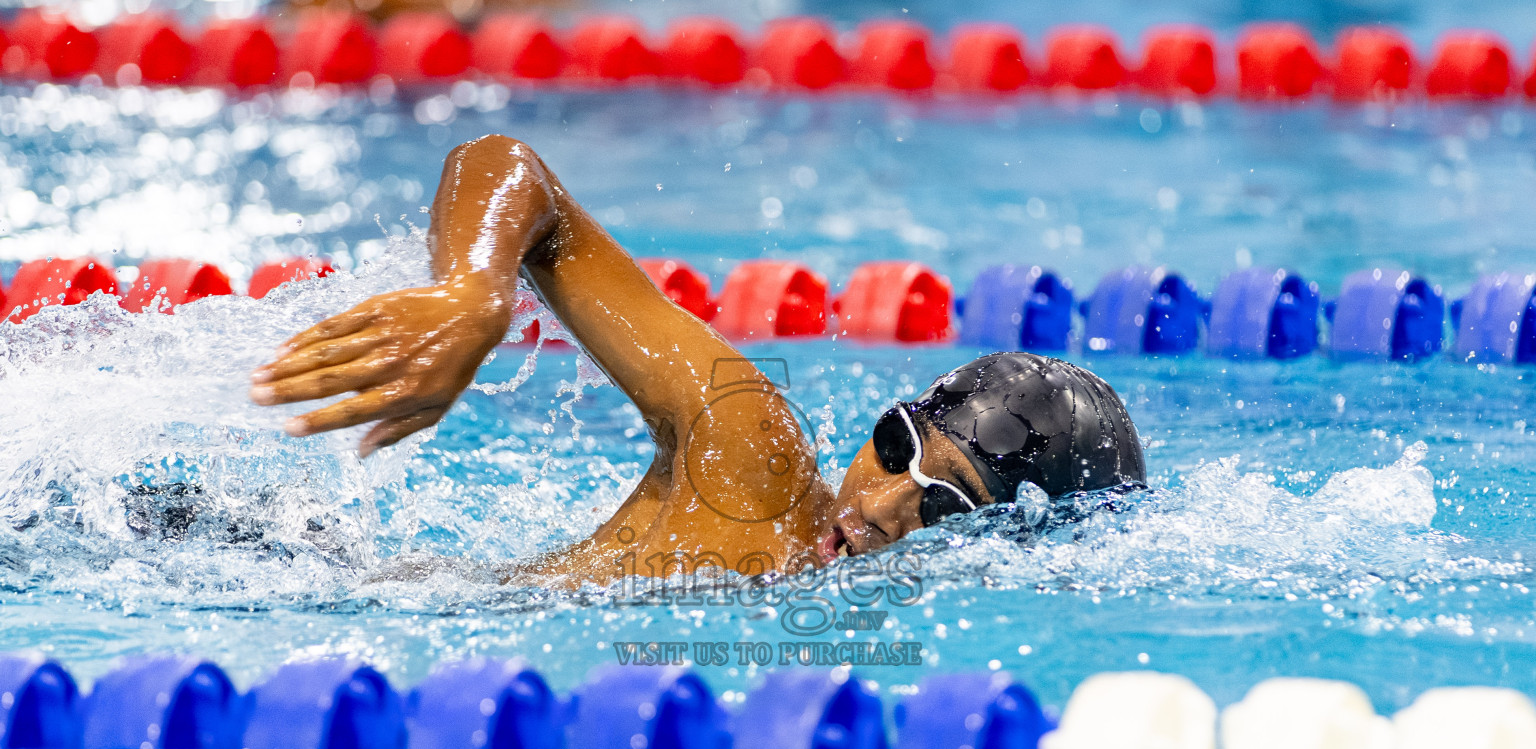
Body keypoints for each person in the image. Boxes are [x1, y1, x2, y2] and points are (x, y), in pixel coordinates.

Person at [249, 135, 1145, 584]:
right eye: (895, 445)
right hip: (268, 568)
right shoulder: (750, 459)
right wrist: (473, 295)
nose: (875, 506)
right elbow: (507, 170)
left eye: (944, 506)